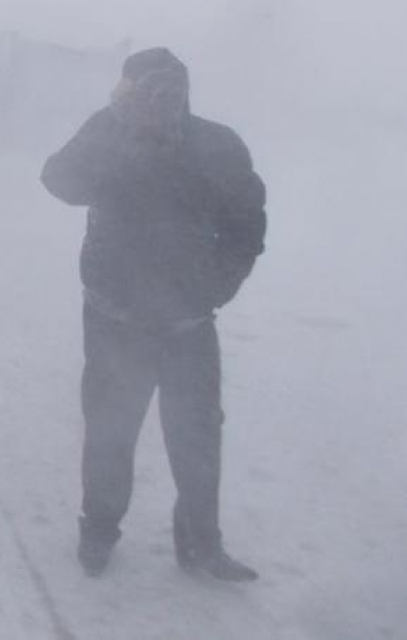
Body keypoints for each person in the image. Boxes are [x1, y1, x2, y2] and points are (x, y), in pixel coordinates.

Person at [40, 48, 266, 581]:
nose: (163, 100)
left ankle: (201, 545)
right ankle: (98, 532)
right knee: (110, 433)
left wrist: (218, 286)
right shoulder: (110, 135)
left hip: (190, 325)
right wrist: (114, 125)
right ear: (127, 92)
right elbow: (58, 181)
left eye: (172, 88)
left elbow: (248, 224)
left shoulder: (218, 145)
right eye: (147, 88)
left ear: (187, 90)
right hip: (115, 321)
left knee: (198, 436)